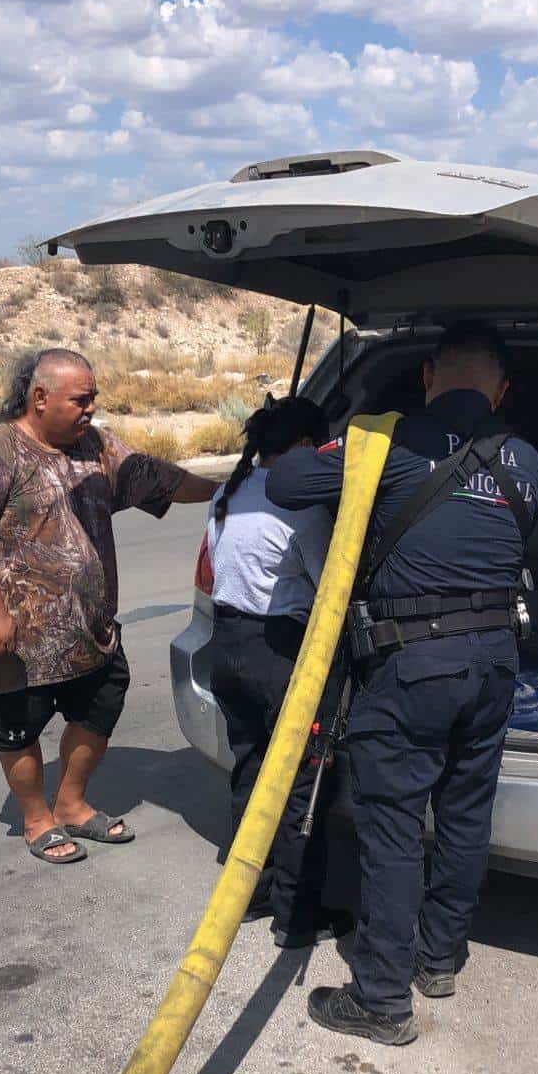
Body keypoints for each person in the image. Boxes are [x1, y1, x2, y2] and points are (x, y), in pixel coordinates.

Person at [266, 320, 538, 1044]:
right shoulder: (529, 462)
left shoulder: (386, 446)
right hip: (494, 664)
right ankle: (439, 958)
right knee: (464, 811)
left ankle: (382, 998)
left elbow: (286, 480)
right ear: (503, 389)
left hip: (410, 664)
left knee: (392, 827)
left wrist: (350, 439)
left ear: (427, 377)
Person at [0, 348, 217, 866]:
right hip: (18, 636)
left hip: (90, 631)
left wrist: (231, 490)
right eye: (81, 399)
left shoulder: (92, 445)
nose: (91, 408)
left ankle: (70, 803)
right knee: (19, 729)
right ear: (40, 397)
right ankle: (36, 818)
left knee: (103, 705)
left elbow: (156, 479)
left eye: (93, 398)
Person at [208, 395, 353, 948]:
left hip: (228, 647)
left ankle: (253, 889)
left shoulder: (230, 492)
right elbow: (330, 587)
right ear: (298, 449)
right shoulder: (304, 509)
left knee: (249, 769)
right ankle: (298, 914)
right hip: (279, 652)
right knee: (301, 782)